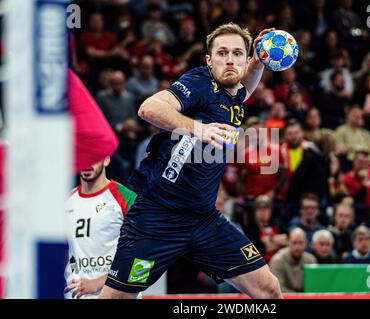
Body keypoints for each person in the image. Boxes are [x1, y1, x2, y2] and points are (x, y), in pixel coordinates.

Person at [96, 23, 283, 299]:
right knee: (116, 298)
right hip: (157, 216)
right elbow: (149, 108)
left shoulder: (234, 96)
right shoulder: (200, 83)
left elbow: (247, 84)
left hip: (204, 219)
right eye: (222, 53)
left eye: (237, 54)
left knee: (269, 289)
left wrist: (258, 60)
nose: (229, 59)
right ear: (209, 60)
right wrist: (200, 128)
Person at [64, 157, 137, 298]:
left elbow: (144, 262)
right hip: (76, 295)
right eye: (84, 155)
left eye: (93, 156)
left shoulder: (127, 199)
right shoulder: (66, 201)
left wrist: (98, 283)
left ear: (106, 160)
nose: (87, 162)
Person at [269, 228, 317, 293]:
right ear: (288, 241)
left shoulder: (311, 260)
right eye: (294, 242)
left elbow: (314, 286)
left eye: (300, 243)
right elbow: (278, 288)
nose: (297, 247)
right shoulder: (277, 260)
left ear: (305, 243)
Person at [243, 195, 287, 263]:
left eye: (266, 208)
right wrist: (277, 243)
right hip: (260, 266)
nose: (263, 212)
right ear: (254, 212)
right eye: (260, 209)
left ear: (271, 211)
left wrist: (270, 239)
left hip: (279, 264)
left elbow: (287, 240)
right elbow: (250, 253)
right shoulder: (248, 230)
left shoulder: (277, 226)